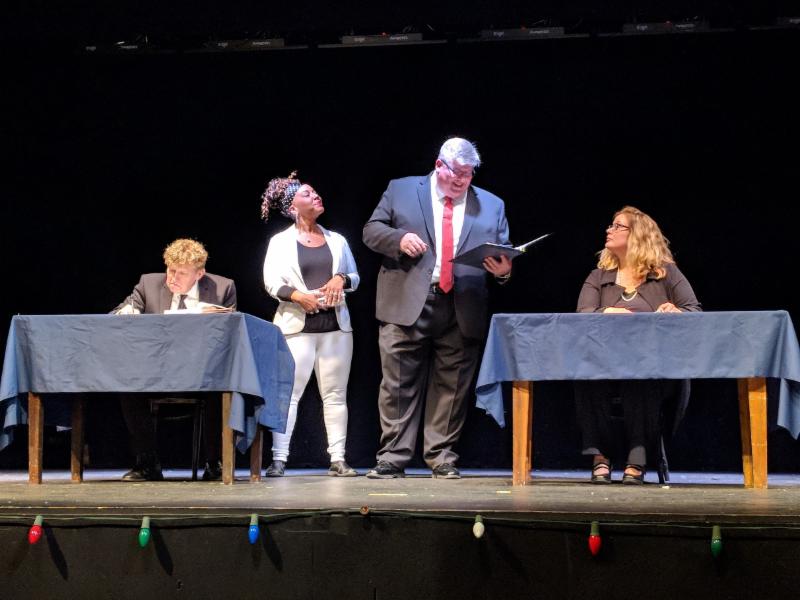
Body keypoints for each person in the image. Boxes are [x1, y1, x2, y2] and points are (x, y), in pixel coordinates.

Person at [363, 137, 512, 480]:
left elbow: (503, 251)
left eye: (468, 174)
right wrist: (398, 239)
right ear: (438, 165)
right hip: (407, 300)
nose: (462, 180)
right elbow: (371, 231)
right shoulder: (401, 190)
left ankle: (441, 455)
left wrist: (504, 271)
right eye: (456, 172)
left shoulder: (492, 204)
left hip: (463, 304)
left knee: (452, 385)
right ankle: (392, 457)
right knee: (397, 384)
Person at [575, 206, 701, 484]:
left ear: (638, 235)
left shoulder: (666, 274)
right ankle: (600, 457)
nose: (609, 230)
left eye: (617, 226)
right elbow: (583, 315)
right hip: (605, 364)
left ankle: (637, 458)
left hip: (654, 366)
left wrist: (675, 311)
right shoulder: (599, 276)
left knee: (640, 374)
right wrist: (608, 312)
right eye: (611, 225)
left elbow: (694, 311)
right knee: (586, 374)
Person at [113, 238, 237, 481]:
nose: (173, 278)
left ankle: (215, 463)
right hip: (156, 372)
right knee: (127, 385)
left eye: (181, 273)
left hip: (202, 373)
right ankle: (147, 463)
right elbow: (118, 314)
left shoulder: (223, 289)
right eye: (170, 270)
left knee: (222, 385)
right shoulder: (148, 284)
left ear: (199, 274)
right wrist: (124, 314)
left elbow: (231, 337)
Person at [261, 172, 359, 477]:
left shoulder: (337, 240)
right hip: (296, 328)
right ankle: (279, 459)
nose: (315, 195)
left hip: (335, 327)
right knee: (289, 394)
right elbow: (271, 282)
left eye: (315, 192)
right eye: (307, 193)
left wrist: (340, 278)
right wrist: (298, 296)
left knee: (335, 394)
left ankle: (338, 458)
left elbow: (355, 277)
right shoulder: (280, 242)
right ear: (293, 207)